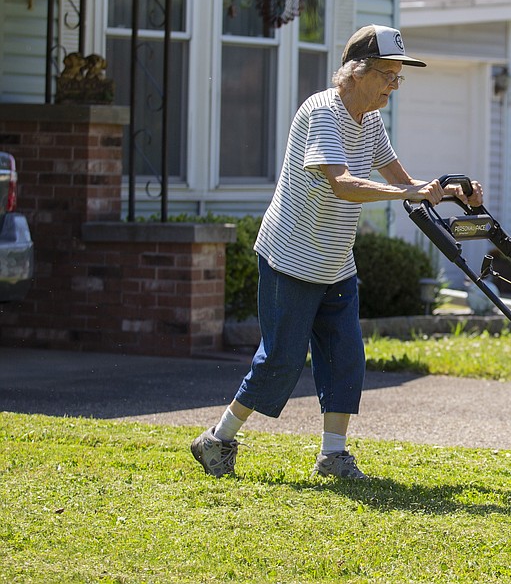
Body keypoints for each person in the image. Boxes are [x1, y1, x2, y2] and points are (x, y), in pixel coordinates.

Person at [191, 24, 483, 479]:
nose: (394, 85)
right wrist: (410, 194)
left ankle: (332, 456)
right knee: (281, 360)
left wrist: (447, 191)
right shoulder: (323, 113)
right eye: (388, 74)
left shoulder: (370, 120)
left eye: (398, 77)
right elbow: (343, 185)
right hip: (290, 256)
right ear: (355, 72)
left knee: (346, 356)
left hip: (334, 260)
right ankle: (217, 439)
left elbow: (403, 183)